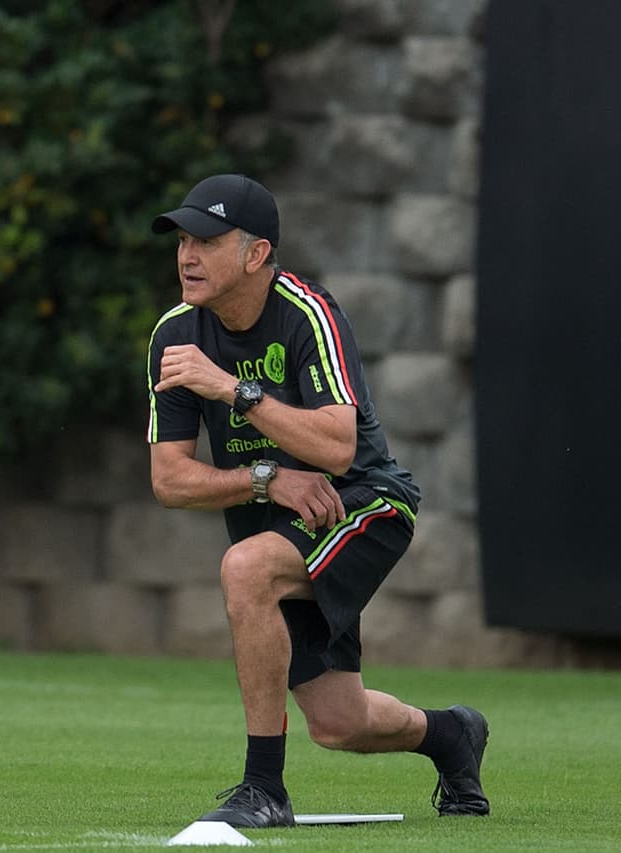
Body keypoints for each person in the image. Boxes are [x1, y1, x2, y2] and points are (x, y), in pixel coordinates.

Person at [145, 173, 490, 828]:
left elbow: (336, 447)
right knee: (338, 720)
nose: (187, 255)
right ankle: (451, 735)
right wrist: (267, 480)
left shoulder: (307, 311)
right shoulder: (173, 335)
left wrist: (232, 390)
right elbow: (170, 479)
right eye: (183, 240)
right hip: (278, 512)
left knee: (245, 569)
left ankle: (262, 788)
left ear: (256, 254)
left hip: (366, 499)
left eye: (207, 240)